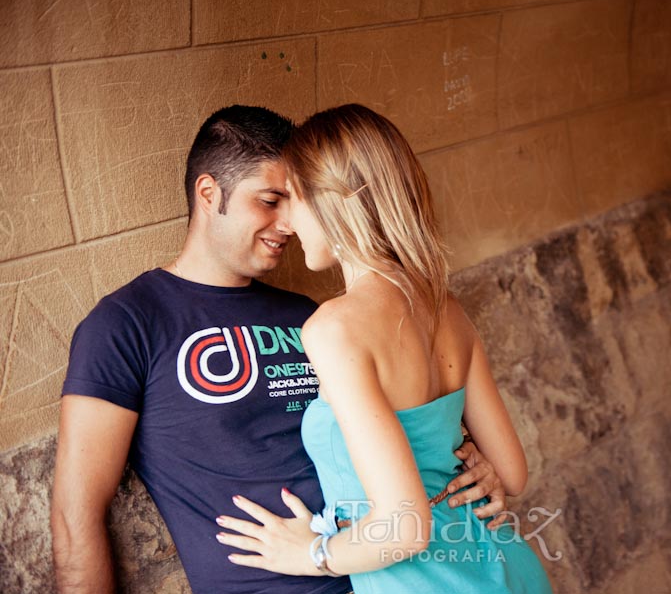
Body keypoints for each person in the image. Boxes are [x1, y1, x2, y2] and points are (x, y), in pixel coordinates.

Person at [50, 105, 506, 594]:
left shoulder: (311, 316)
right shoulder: (126, 323)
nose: (288, 222)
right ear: (209, 194)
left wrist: (476, 465)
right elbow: (75, 515)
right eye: (270, 200)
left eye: (296, 200)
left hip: (389, 574)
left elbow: (396, 438)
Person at [215, 104, 553, 593]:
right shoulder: (446, 308)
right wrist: (479, 466)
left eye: (291, 197)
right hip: (508, 566)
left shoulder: (334, 328)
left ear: (333, 201)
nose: (285, 221)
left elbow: (406, 527)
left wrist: (310, 553)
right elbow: (513, 475)